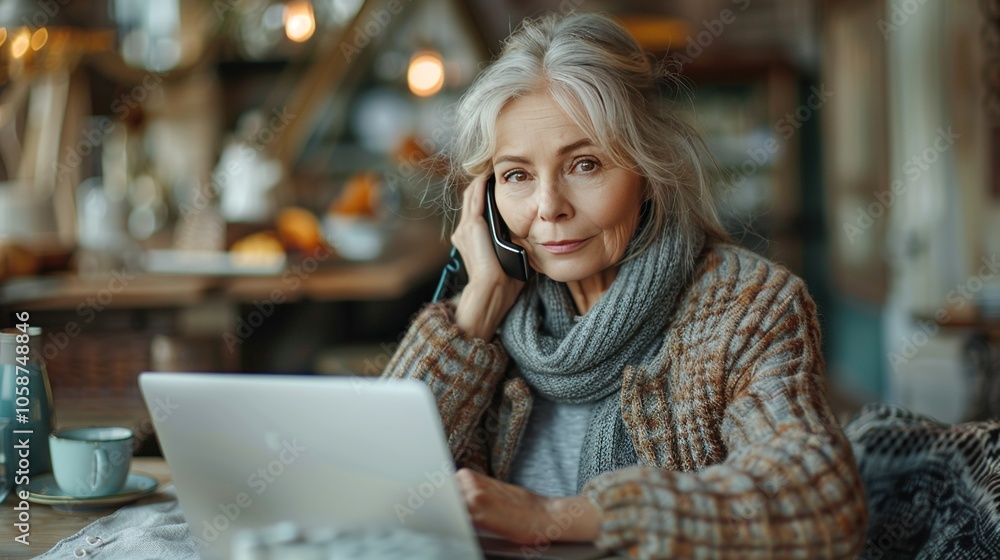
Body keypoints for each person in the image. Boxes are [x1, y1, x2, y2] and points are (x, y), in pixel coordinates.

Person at [381, 11, 867, 559]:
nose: (549, 209)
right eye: (516, 175)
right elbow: (361, 491)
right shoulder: (485, 325)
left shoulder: (747, 308)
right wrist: (473, 315)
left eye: (585, 164)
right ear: (484, 200)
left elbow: (822, 503)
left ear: (648, 170)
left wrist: (550, 516)